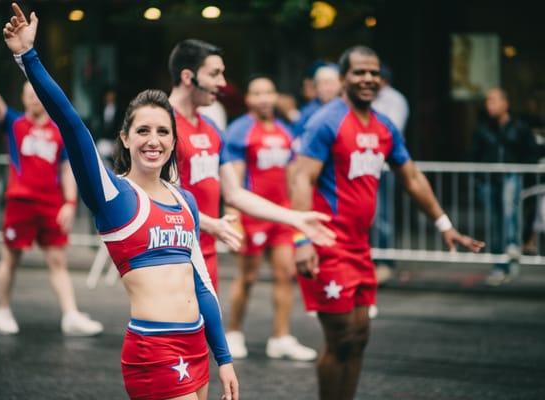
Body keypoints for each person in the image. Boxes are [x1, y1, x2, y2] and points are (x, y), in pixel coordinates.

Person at [3, 4, 238, 399]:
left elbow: (202, 285)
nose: (154, 140)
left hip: (197, 347)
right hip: (155, 350)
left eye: (164, 131)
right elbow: (71, 123)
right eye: (142, 130)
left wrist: (224, 357)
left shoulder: (186, 201)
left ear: (173, 141)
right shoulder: (113, 195)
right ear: (125, 139)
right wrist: (28, 57)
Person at [291, 45, 484, 400]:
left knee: (360, 338)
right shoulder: (327, 121)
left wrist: (445, 224)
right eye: (359, 72)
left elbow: (411, 177)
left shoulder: (384, 126)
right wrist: (302, 241)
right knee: (341, 337)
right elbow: (301, 178)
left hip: (360, 248)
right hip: (327, 245)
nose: (367, 79)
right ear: (344, 78)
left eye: (374, 73)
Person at [167, 39, 335, 291]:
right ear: (188, 76)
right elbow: (162, 199)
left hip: (206, 254)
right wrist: (213, 224)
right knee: (170, 330)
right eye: (215, 74)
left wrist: (295, 218)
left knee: (206, 331)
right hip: (170, 256)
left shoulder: (212, 129)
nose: (223, 83)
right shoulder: (161, 125)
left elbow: (234, 194)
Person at [0, 32, 102, 336]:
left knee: (57, 261)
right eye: (28, 94)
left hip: (51, 203)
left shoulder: (58, 131)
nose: (32, 98)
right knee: (11, 257)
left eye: (36, 93)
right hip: (20, 201)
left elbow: (67, 169)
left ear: (42, 96)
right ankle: (2, 310)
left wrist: (70, 204)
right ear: (24, 98)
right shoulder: (14, 122)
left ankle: (70, 315)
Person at [222, 75, 316, 361]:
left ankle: (281, 337)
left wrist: (297, 216)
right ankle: (234, 333)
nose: (264, 98)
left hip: (282, 216)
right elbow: (234, 179)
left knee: (286, 275)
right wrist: (233, 217)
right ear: (248, 99)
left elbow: (292, 176)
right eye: (257, 93)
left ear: (276, 97)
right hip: (253, 216)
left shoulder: (285, 131)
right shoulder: (240, 131)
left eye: (269, 92)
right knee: (247, 277)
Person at [471, 87, 538, 285]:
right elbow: (475, 154)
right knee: (495, 224)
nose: (489, 105)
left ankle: (512, 249)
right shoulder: (484, 128)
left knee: (510, 212)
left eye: (493, 100)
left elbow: (531, 152)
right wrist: (478, 178)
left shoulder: (519, 127)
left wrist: (525, 172)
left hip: (512, 177)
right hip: (490, 180)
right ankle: (500, 264)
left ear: (505, 103)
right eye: (487, 101)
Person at [370, 64, 410, 287]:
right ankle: (373, 259)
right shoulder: (369, 99)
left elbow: (391, 130)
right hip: (366, 162)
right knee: (370, 213)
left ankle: (385, 260)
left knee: (383, 213)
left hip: (385, 164)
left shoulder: (394, 99)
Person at [292, 64, 341, 139]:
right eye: (324, 83)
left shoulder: (347, 109)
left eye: (332, 83)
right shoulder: (307, 113)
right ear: (316, 87)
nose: (329, 88)